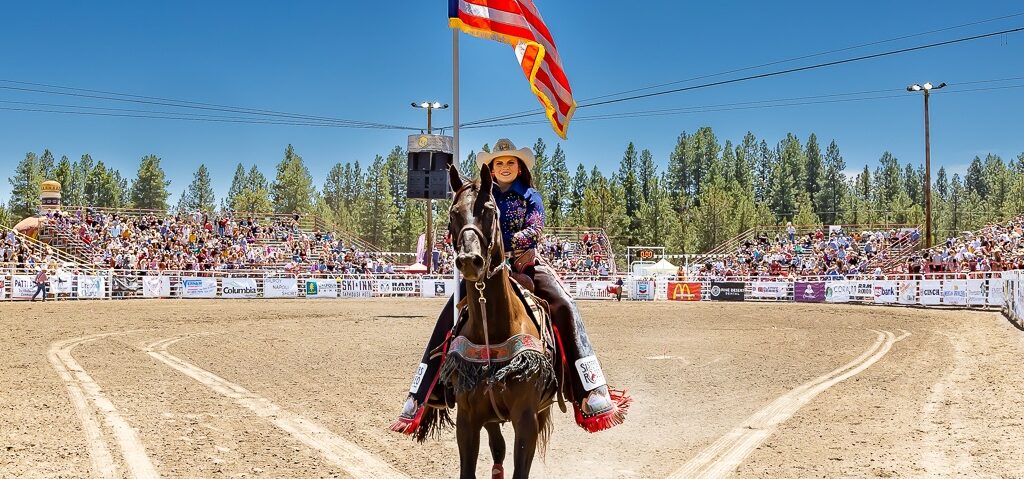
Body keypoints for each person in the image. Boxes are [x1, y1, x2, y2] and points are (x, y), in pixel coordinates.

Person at [393, 138, 630, 435]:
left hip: (524, 264)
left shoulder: (531, 196)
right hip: (486, 268)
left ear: (520, 168)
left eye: (510, 162)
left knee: (565, 305)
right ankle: (424, 393)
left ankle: (589, 387)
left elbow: (534, 230)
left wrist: (505, 246)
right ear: (490, 170)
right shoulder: (478, 197)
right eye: (499, 163)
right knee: (448, 318)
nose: (505, 167)